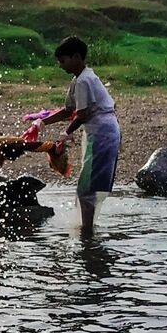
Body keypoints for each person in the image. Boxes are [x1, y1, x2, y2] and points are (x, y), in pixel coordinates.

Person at [35, 36, 121, 237]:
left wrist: (66, 133)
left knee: (87, 187)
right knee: (89, 184)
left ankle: (87, 233)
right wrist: (42, 122)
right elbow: (68, 110)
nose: (61, 65)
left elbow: (82, 114)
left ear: (76, 57)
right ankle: (88, 229)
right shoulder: (79, 79)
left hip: (102, 134)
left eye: (63, 61)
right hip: (101, 132)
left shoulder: (83, 80)